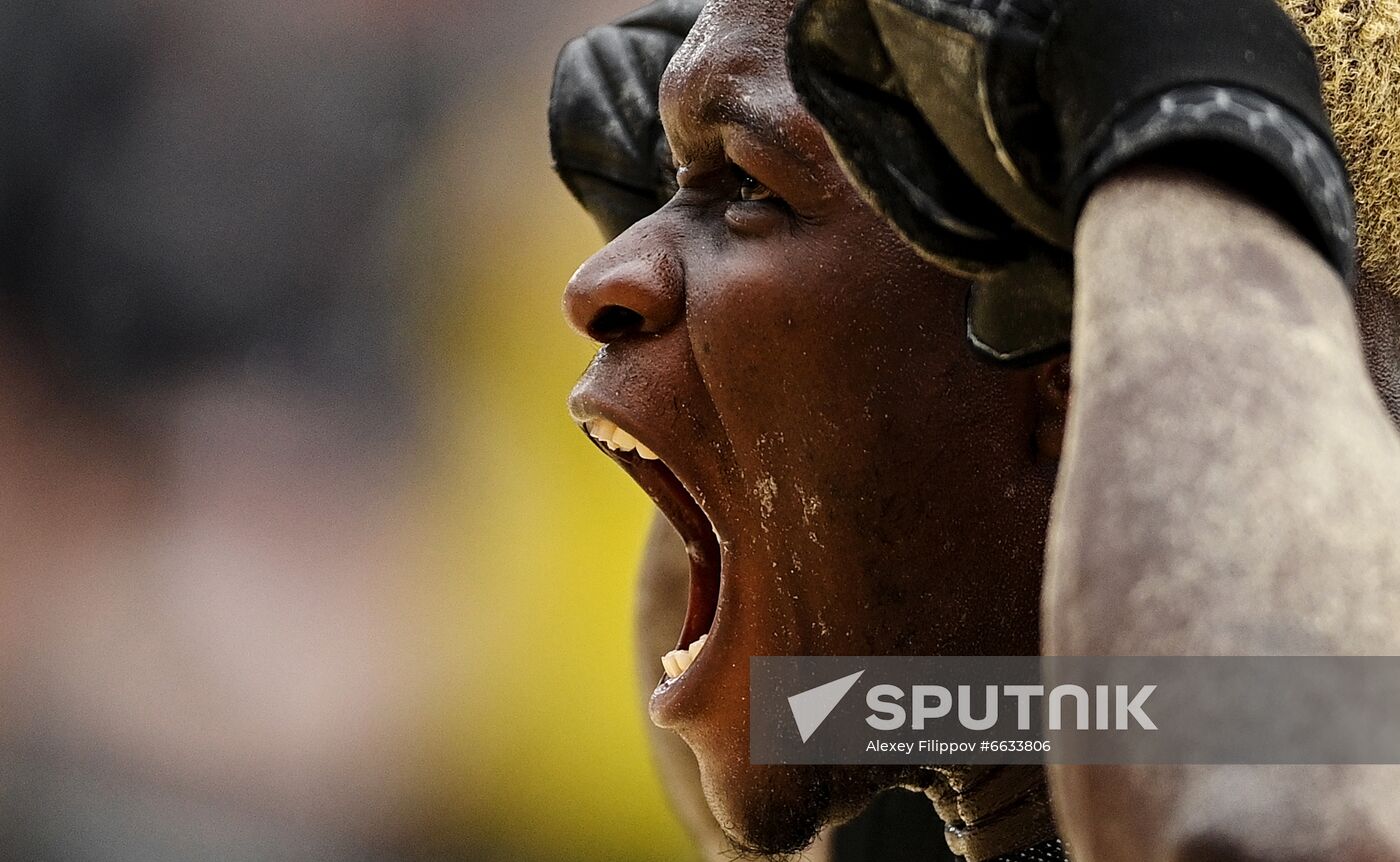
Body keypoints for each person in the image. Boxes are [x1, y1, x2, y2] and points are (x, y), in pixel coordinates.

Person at [552, 0, 1400, 860]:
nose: (599, 279)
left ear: (1078, 347)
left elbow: (1284, 818)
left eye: (748, 185)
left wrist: (1194, 144)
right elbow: (778, 744)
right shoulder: (963, 733)